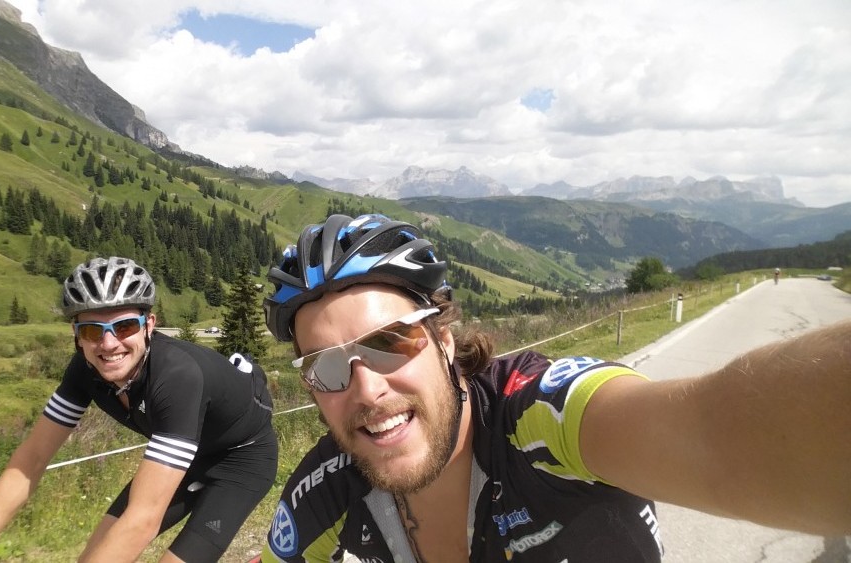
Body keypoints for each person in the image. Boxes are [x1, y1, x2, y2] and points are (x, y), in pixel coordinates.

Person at [258, 213, 851, 562]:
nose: (364, 388)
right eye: (326, 367)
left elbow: (718, 436)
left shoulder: (542, 416)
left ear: (442, 338)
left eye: (388, 341)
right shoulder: (322, 494)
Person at [0, 256, 278, 563]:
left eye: (123, 327)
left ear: (149, 325)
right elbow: (31, 458)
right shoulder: (83, 370)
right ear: (77, 337)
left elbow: (143, 520)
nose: (108, 345)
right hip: (189, 457)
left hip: (241, 461)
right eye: (92, 331)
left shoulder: (176, 377)